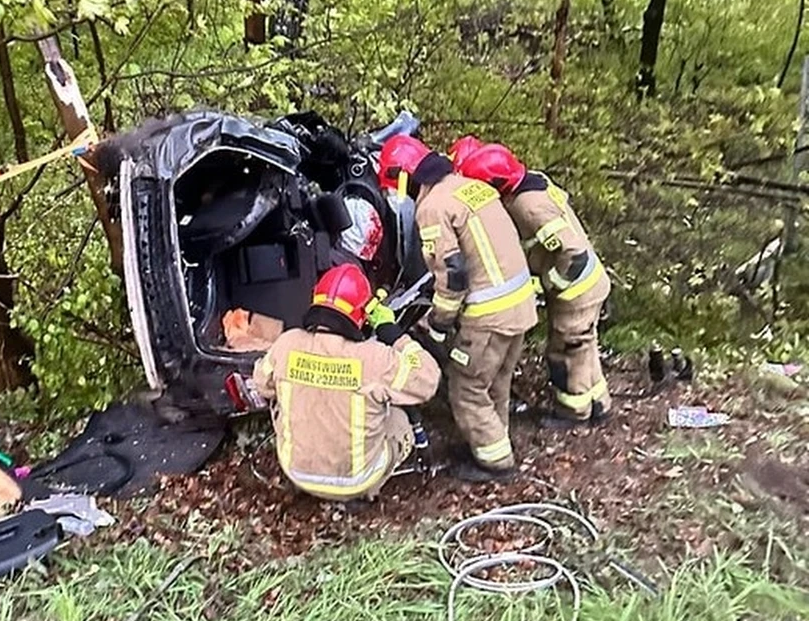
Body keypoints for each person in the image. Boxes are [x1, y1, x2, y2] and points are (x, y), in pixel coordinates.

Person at [378, 135, 537, 482]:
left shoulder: (432, 207)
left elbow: (453, 274)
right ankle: (491, 442)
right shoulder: (470, 187)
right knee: (494, 383)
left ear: (403, 177)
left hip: (489, 315)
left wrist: (438, 321)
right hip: (520, 305)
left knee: (466, 387)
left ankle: (496, 463)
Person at [454, 143, 612, 427]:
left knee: (565, 351)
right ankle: (599, 404)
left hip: (576, 291)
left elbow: (572, 253)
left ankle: (574, 413)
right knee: (585, 346)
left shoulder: (528, 207)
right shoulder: (535, 181)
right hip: (589, 282)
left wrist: (550, 283)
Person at [253, 265, 440, 501]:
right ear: (361, 315)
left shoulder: (286, 344)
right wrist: (393, 334)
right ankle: (367, 492)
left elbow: (262, 385)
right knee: (400, 419)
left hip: (296, 472)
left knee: (282, 397)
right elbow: (427, 379)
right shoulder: (374, 358)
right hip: (355, 482)